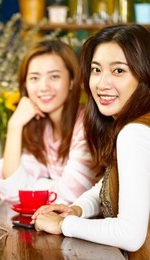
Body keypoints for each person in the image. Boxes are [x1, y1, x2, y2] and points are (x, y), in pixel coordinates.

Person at [32, 24, 150, 259]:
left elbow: (129, 234)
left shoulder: (134, 133)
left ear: (144, 74)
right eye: (96, 70)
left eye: (118, 71)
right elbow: (113, 183)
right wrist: (77, 208)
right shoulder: (136, 125)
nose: (102, 83)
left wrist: (63, 225)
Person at [0, 39, 96, 205]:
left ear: (71, 81)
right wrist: (14, 126)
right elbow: (10, 190)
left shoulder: (87, 124)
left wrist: (36, 186)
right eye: (34, 78)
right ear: (25, 85)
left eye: (54, 76)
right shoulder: (43, 128)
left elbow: (70, 197)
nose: (43, 87)